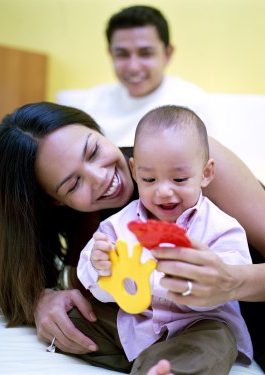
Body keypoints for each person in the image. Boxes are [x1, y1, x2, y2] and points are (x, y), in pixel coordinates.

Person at [0, 102, 265, 375]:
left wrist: (231, 280)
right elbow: (95, 282)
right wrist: (40, 298)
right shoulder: (94, 220)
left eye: (93, 150)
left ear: (98, 130)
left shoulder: (186, 159)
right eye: (73, 184)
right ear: (54, 200)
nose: (101, 178)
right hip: (205, 323)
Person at [76, 105, 253, 374]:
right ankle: (147, 360)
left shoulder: (222, 228)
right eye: (149, 179)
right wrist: (97, 265)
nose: (164, 191)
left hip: (199, 323)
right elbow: (101, 289)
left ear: (206, 173)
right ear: (134, 172)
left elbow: (227, 284)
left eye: (180, 179)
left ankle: (170, 368)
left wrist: (155, 278)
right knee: (76, 318)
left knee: (213, 342)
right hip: (138, 321)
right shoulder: (119, 224)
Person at [56, 5, 214, 147]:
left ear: (167, 53)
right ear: (111, 54)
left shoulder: (191, 103)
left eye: (146, 53)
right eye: (122, 54)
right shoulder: (90, 103)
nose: (133, 67)